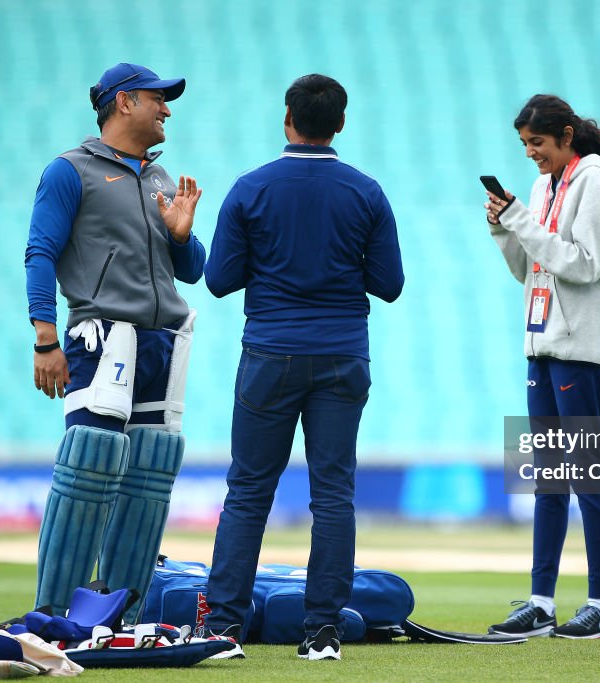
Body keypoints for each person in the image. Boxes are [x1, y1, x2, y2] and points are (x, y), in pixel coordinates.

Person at [202, 74, 404, 661]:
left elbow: (218, 281)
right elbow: (389, 285)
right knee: (333, 493)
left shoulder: (250, 189)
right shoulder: (366, 192)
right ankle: (322, 631)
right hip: (342, 353)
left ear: (286, 118)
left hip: (269, 352)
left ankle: (223, 630)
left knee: (247, 492)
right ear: (339, 123)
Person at [24, 63, 206, 628]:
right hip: (100, 338)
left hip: (160, 341)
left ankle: (116, 615)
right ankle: (56, 614)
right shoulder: (69, 171)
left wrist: (180, 235)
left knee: (150, 474)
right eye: (158, 99)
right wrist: (45, 337)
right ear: (125, 103)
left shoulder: (159, 179)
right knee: (89, 469)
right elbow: (40, 252)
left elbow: (194, 270)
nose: (167, 109)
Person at [484, 94, 600, 640]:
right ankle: (541, 603)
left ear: (567, 135)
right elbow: (531, 271)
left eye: (538, 143)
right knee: (550, 482)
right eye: (525, 145)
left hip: (582, 350)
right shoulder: (544, 184)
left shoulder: (594, 179)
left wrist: (523, 222)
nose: (531, 153)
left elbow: (584, 264)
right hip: (543, 343)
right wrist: (506, 229)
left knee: (588, 478)